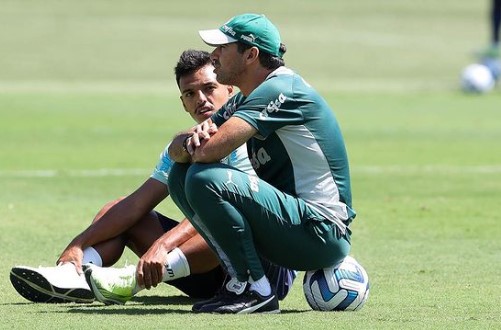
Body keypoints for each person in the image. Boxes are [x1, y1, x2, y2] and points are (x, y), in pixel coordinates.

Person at [10, 49, 296, 305]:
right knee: (117, 210)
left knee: (222, 221)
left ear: (230, 89)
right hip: (208, 273)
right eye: (190, 94)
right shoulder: (184, 145)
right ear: (183, 104)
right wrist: (77, 244)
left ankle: (128, 281)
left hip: (264, 273)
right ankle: (73, 275)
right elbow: (136, 205)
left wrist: (162, 245)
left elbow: (217, 212)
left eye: (209, 88)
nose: (201, 100)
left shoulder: (246, 136)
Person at [166, 13, 356, 314]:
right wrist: (190, 141)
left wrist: (197, 146)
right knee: (180, 175)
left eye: (223, 48)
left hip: (321, 232)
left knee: (203, 177)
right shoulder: (246, 98)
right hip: (290, 227)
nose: (214, 56)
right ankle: (241, 283)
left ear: (251, 55)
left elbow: (206, 152)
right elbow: (176, 153)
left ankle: (257, 291)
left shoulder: (280, 89)